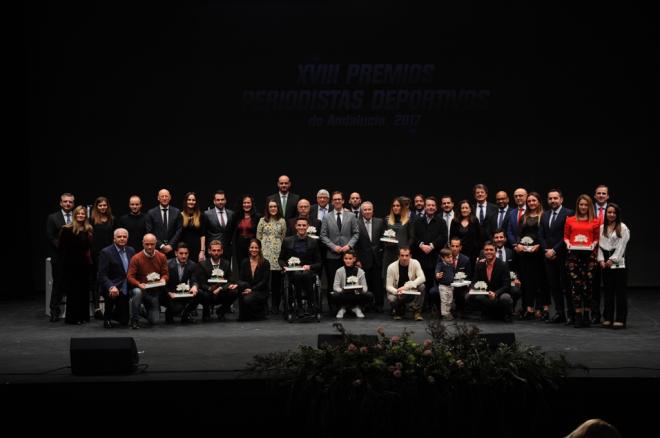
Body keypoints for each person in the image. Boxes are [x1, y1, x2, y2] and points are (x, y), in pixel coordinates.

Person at [564, 194, 600, 328]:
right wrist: (568, 244)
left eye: (586, 205)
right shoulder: (570, 220)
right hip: (573, 256)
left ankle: (587, 314)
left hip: (589, 256)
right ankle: (577, 315)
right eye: (581, 204)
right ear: (578, 206)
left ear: (589, 206)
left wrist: (593, 244)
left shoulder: (595, 221)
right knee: (576, 286)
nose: (583, 207)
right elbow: (566, 236)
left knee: (588, 287)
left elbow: (596, 238)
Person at [320, 191, 360, 308]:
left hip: (348, 256)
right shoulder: (326, 217)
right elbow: (323, 235)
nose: (337, 201)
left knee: (349, 281)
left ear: (343, 201)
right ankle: (334, 307)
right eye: (335, 200)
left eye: (339, 199)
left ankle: (349, 307)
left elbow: (356, 233)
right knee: (333, 281)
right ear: (332, 202)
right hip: (333, 255)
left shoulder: (351, 216)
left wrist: (349, 246)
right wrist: (333, 246)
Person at [515, 192, 550, 321]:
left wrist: (539, 246)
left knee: (540, 281)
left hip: (539, 254)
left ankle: (540, 309)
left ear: (539, 202)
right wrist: (518, 244)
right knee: (527, 281)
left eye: (534, 200)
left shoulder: (544, 216)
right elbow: (519, 234)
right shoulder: (524, 217)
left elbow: (545, 235)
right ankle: (528, 308)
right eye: (529, 201)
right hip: (525, 254)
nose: (531, 203)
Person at [278, 217, 322, 314]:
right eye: (299, 225)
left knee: (305, 274)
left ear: (307, 227)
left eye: (304, 225)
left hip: (308, 272)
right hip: (292, 273)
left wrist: (310, 267)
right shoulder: (287, 241)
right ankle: (299, 306)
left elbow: (319, 263)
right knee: (297, 274)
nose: (301, 227)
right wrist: (284, 266)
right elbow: (280, 259)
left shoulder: (313, 242)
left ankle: (310, 305)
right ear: (295, 226)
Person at [58, 205, 93, 325]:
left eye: (83, 214)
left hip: (84, 266)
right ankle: (74, 318)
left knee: (83, 291)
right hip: (71, 266)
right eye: (78, 213)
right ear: (74, 215)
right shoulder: (67, 229)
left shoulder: (88, 229)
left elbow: (89, 249)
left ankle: (83, 316)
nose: (81, 215)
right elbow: (62, 249)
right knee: (74, 292)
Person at [597, 203, 630, 329]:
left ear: (617, 214)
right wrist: (601, 260)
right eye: (609, 212)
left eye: (614, 213)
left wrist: (612, 259)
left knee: (620, 292)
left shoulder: (622, 227)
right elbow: (600, 246)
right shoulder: (602, 228)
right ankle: (608, 318)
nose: (611, 215)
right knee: (608, 292)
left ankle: (620, 319)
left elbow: (622, 247)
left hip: (618, 263)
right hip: (605, 263)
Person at [127, 233, 169, 328]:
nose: (149, 247)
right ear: (142, 244)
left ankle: (140, 310)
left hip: (153, 292)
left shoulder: (162, 257)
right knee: (137, 293)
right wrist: (138, 284)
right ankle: (135, 320)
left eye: (152, 244)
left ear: (155, 243)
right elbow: (130, 277)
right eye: (147, 244)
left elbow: (165, 274)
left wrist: (163, 279)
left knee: (154, 321)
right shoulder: (136, 258)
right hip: (140, 289)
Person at [411, 196, 447, 307]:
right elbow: (413, 236)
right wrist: (421, 245)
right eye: (428, 205)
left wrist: (432, 246)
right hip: (420, 256)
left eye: (433, 205)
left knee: (434, 282)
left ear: (436, 208)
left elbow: (443, 237)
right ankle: (420, 306)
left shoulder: (441, 221)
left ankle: (433, 306)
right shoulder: (417, 221)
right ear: (425, 207)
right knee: (421, 282)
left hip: (435, 257)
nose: (430, 207)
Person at [97, 228, 135, 328]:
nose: (122, 239)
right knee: (112, 293)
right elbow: (102, 275)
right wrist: (111, 286)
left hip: (127, 285)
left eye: (124, 237)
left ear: (127, 238)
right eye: (119, 237)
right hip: (113, 285)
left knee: (124, 321)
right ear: (114, 239)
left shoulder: (131, 250)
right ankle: (107, 318)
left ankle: (117, 313)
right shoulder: (106, 252)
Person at [46, 192, 75, 322]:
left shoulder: (78, 216)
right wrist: (63, 247)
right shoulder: (53, 218)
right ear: (61, 203)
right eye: (65, 201)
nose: (68, 203)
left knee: (73, 284)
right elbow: (51, 237)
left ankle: (73, 311)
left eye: (70, 202)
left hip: (75, 257)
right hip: (59, 256)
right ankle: (54, 310)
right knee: (58, 284)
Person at [468, 241, 513, 322]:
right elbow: (474, 280)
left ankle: (506, 315)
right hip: (485, 294)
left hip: (499, 293)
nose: (488, 252)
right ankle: (485, 313)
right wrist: (472, 288)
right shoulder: (479, 265)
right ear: (483, 251)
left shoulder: (503, 265)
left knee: (506, 298)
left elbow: (507, 285)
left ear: (495, 252)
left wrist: (496, 293)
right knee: (470, 296)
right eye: (486, 250)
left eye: (491, 250)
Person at [197, 240, 240, 321]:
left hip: (222, 292)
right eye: (214, 250)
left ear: (222, 251)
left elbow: (231, 280)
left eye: (218, 250)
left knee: (234, 291)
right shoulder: (203, 264)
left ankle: (221, 311)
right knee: (202, 293)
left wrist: (220, 288)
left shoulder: (226, 263)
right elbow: (202, 283)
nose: (216, 252)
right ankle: (206, 312)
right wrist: (211, 289)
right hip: (208, 293)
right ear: (209, 251)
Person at [257, 200, 287, 313]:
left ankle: (275, 305)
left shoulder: (282, 221)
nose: (273, 208)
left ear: (278, 208)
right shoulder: (262, 220)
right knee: (264, 281)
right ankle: (263, 305)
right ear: (267, 208)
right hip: (264, 254)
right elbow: (258, 237)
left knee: (276, 283)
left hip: (277, 254)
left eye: (275, 206)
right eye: (271, 207)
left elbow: (283, 237)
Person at [355, 201, 384, 312]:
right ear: (362, 211)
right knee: (366, 283)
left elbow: (383, 239)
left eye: (369, 209)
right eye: (365, 210)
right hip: (363, 259)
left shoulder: (380, 222)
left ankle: (379, 304)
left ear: (373, 210)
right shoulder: (356, 223)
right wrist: (356, 259)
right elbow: (355, 244)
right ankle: (366, 305)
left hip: (377, 258)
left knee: (378, 283)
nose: (367, 211)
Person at [90, 196, 115, 319]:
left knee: (109, 279)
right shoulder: (92, 220)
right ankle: (97, 308)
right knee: (97, 280)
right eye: (100, 205)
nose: (102, 207)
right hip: (96, 254)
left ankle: (110, 307)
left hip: (109, 254)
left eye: (104, 205)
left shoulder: (112, 219)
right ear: (96, 207)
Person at [385, 247, 425, 321]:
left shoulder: (415, 263)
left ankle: (416, 311)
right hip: (397, 292)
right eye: (402, 255)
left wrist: (406, 287)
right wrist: (397, 292)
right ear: (398, 256)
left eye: (407, 255)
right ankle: (399, 311)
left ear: (410, 256)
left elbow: (422, 278)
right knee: (392, 298)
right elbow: (388, 286)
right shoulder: (391, 267)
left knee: (422, 286)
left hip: (411, 291)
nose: (404, 258)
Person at [164, 243, 200, 324]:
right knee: (176, 308)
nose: (183, 256)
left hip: (183, 293)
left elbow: (194, 279)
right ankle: (169, 313)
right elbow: (163, 283)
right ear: (176, 253)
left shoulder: (192, 265)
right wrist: (168, 292)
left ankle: (185, 315)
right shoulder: (168, 264)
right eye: (181, 253)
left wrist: (194, 286)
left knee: (199, 293)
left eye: (186, 253)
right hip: (170, 294)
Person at [332, 251, 373, 319]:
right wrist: (342, 290)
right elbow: (335, 286)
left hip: (356, 294)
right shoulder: (339, 271)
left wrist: (360, 289)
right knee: (334, 295)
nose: (348, 261)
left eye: (350, 259)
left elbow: (365, 287)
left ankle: (356, 308)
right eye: (346, 258)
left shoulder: (360, 271)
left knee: (369, 295)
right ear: (343, 259)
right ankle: (342, 308)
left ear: (354, 259)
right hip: (344, 294)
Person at [237, 239, 270, 321]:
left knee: (247, 299)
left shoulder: (265, 263)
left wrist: (251, 289)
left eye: (256, 248)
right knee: (238, 291)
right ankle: (245, 315)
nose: (254, 250)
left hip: (260, 290)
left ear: (260, 249)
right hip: (247, 289)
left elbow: (264, 281)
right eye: (252, 247)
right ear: (249, 248)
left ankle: (258, 314)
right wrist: (243, 286)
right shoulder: (244, 262)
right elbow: (240, 279)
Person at [591, 184, 610, 324]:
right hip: (592, 251)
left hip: (609, 252)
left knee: (609, 285)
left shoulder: (612, 211)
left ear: (607, 196)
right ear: (595, 196)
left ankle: (608, 315)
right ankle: (595, 314)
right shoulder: (590, 210)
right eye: (599, 193)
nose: (601, 195)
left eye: (604, 193)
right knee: (594, 285)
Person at [145, 189, 182, 259]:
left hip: (173, 249)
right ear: (158, 198)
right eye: (162, 196)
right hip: (157, 250)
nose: (164, 198)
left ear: (170, 197)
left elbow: (179, 230)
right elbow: (150, 232)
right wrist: (161, 246)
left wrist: (171, 245)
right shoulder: (151, 213)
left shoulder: (177, 212)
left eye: (166, 196)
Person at [382, 196, 412, 281]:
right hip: (389, 253)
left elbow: (412, 237)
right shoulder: (386, 220)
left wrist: (406, 250)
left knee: (402, 279)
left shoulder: (408, 220)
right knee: (388, 279)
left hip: (402, 255)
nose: (395, 207)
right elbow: (383, 236)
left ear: (402, 207)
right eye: (394, 205)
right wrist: (387, 243)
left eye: (398, 205)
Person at [204, 190, 235, 263]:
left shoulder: (231, 214)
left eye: (222, 199)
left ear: (225, 200)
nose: (220, 202)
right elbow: (203, 233)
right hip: (213, 250)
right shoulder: (207, 214)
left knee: (226, 272)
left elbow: (233, 231)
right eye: (218, 200)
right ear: (214, 201)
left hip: (227, 250)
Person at [451, 200, 482, 269]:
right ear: (460, 210)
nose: (464, 210)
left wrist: (478, 255)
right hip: (458, 254)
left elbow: (479, 238)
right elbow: (451, 238)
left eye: (466, 208)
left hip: (473, 254)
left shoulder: (475, 221)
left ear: (470, 209)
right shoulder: (454, 221)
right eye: (462, 208)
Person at [447, 237, 473, 319]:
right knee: (434, 292)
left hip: (460, 288)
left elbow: (468, 277)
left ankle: (460, 310)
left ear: (460, 247)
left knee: (463, 294)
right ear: (449, 246)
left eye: (457, 246)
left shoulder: (466, 260)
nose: (454, 248)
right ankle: (441, 310)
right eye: (452, 246)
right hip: (446, 285)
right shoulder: (443, 258)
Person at [179, 192, 207, 263]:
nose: (191, 202)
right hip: (183, 250)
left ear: (196, 202)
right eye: (189, 200)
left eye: (193, 200)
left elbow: (203, 235)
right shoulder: (180, 216)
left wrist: (202, 251)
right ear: (186, 201)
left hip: (197, 249)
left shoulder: (201, 216)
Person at [428, 248, 455, 320]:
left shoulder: (451, 265)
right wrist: (437, 274)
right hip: (443, 286)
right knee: (444, 300)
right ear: (443, 258)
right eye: (448, 257)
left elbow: (453, 273)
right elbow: (437, 271)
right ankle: (444, 314)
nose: (450, 259)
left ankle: (448, 312)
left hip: (450, 286)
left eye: (451, 256)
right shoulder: (440, 265)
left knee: (449, 300)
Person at [233, 194, 260, 265]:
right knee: (241, 266)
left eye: (248, 203)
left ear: (252, 204)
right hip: (240, 246)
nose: (246, 205)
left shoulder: (258, 217)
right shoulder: (236, 216)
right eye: (244, 203)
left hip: (253, 246)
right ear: (241, 204)